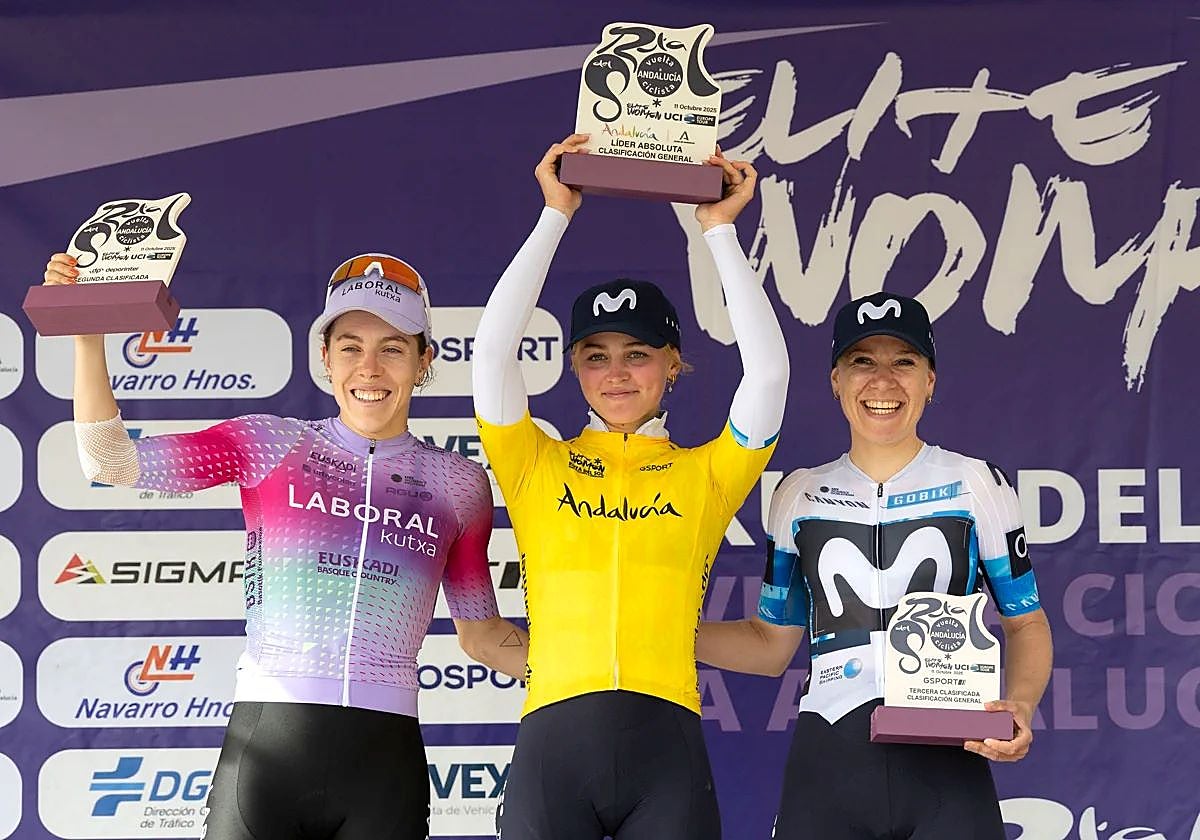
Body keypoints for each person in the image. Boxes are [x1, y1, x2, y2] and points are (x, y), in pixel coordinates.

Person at [44, 250, 529, 840]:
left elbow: (482, 635)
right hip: (266, 750)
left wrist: (614, 674)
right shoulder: (271, 444)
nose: (369, 369)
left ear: (425, 360)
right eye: (350, 347)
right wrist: (87, 339)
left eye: (393, 349)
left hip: (384, 762)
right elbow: (110, 460)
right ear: (325, 358)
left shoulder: (459, 483)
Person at [471, 134, 789, 840]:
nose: (617, 373)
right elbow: (492, 351)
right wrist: (555, 213)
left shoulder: (706, 473)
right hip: (554, 747)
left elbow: (767, 377)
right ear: (576, 369)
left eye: (638, 355)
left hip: (666, 750)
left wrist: (721, 234)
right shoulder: (533, 461)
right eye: (596, 356)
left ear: (673, 365)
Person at [697, 291, 1053, 839]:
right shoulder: (798, 493)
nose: (882, 382)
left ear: (930, 380)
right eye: (862, 361)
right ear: (835, 380)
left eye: (903, 362)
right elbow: (770, 644)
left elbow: (1026, 622)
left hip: (949, 760)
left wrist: (1021, 706)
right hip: (831, 758)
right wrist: (657, 634)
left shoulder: (976, 483)